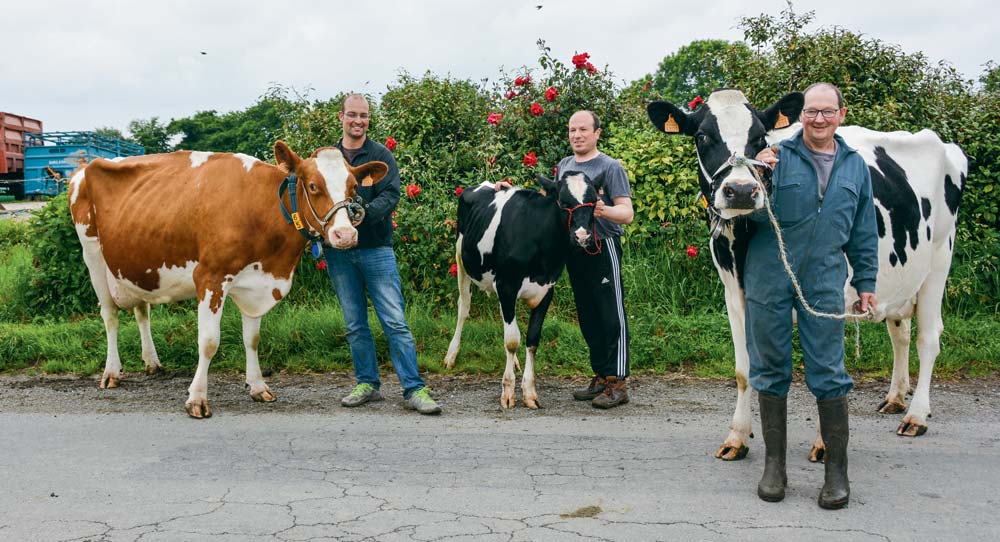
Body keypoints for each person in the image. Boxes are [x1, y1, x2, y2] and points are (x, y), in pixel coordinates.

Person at [749, 83, 878, 509]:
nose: (818, 119)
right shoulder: (776, 157)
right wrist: (755, 173)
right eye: (810, 111)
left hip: (824, 275)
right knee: (769, 365)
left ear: (841, 114)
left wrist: (866, 282)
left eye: (827, 111)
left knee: (828, 369)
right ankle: (774, 467)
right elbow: (737, 207)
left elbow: (863, 231)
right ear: (800, 115)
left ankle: (837, 473)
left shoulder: (856, 167)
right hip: (770, 271)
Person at [323, 93, 441, 415]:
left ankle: (414, 388)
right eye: (352, 115)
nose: (358, 121)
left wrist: (365, 214)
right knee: (354, 323)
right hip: (339, 254)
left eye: (363, 115)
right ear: (341, 117)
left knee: (395, 321)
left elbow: (391, 194)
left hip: (376, 250)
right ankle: (367, 383)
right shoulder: (328, 158)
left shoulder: (381, 155)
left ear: (368, 119)